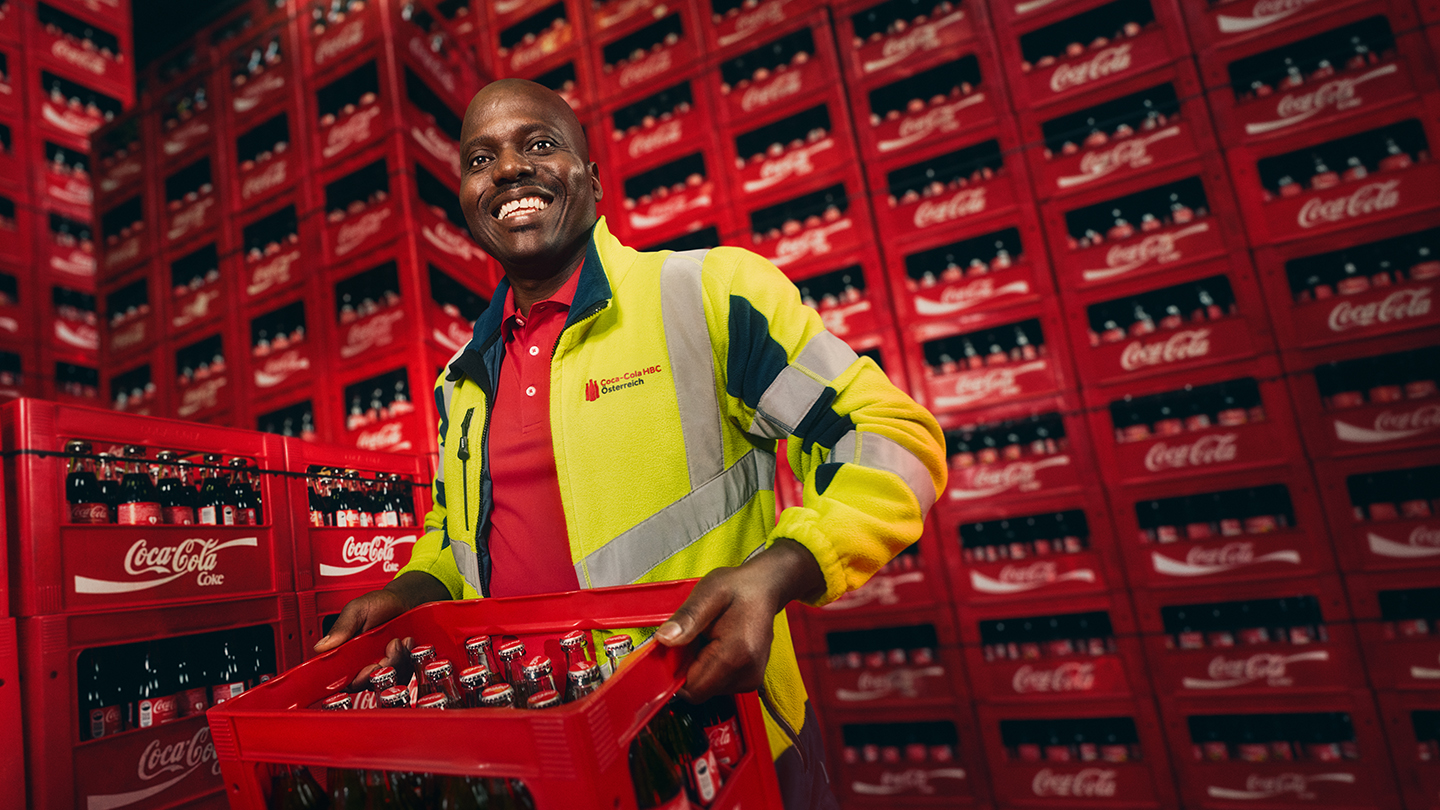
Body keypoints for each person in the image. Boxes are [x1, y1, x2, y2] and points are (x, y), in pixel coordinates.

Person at [315, 78, 946, 809]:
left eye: (540, 145)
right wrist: (411, 593)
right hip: (545, 757)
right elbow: (452, 536)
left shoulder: (706, 294)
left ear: (592, 180)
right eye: (481, 158)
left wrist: (779, 572)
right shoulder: (462, 379)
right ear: (464, 197)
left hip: (717, 741)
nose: (510, 169)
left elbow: (885, 435)